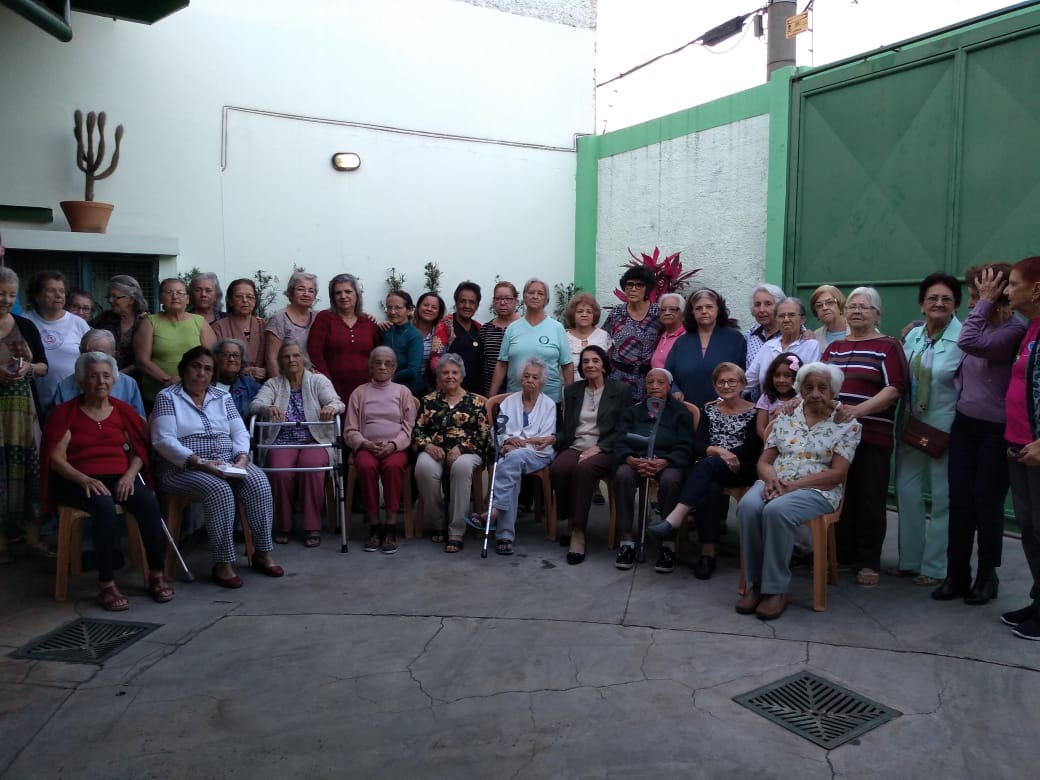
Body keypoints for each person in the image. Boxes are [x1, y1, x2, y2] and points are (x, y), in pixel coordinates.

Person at [41, 352, 173, 610]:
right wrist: (83, 479)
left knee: (147, 502)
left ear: (114, 380)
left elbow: (139, 452)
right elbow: (56, 458)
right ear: (81, 381)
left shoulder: (123, 411)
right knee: (102, 506)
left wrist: (129, 475)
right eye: (93, 376)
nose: (100, 381)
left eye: (106, 375)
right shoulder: (66, 413)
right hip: (76, 480)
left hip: (119, 476)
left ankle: (156, 574)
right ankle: (106, 584)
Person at [736, 362, 861, 620]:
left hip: (817, 489)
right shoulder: (786, 415)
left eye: (822, 387)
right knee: (747, 507)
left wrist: (792, 487)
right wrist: (773, 481)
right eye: (808, 387)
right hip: (777, 482)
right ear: (800, 389)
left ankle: (776, 590)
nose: (815, 393)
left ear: (834, 390)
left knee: (777, 510)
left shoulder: (847, 423)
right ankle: (755, 584)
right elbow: (764, 461)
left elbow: (837, 474)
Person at [151, 346, 283, 588]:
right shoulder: (168, 397)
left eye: (208, 369)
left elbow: (239, 431)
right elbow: (163, 440)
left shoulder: (221, 396)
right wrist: (199, 462)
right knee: (220, 491)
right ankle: (222, 563)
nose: (201, 373)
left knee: (259, 482)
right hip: (183, 468)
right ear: (183, 369)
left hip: (227, 461)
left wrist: (242, 457)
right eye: (196, 367)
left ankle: (262, 552)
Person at [932, 264, 1024, 605]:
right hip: (965, 424)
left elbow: (969, 340)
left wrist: (984, 302)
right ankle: (957, 574)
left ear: (996, 295)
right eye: (972, 296)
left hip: (996, 430)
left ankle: (988, 575)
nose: (972, 304)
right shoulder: (979, 321)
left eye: (976, 296)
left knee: (987, 503)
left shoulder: (1014, 330)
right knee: (960, 502)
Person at [822, 286, 909, 589]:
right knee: (840, 495)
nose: (856, 311)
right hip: (833, 437)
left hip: (872, 435)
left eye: (864, 307)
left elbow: (894, 388)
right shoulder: (834, 349)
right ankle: (842, 554)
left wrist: (857, 411)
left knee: (870, 497)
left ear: (877, 314)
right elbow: (819, 384)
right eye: (852, 307)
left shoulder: (887, 346)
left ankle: (868, 560)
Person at [649, 363, 761, 578]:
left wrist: (726, 455)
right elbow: (696, 444)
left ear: (743, 384)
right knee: (710, 483)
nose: (726, 385)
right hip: (710, 466)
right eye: (721, 382)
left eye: (732, 381)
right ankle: (707, 553)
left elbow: (751, 448)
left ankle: (676, 517)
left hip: (741, 467)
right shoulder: (708, 409)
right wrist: (719, 451)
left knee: (704, 467)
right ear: (715, 385)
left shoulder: (754, 411)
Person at [893, 273, 964, 587]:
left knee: (941, 497)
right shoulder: (914, 337)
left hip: (943, 426)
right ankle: (909, 560)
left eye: (946, 299)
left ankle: (935, 566)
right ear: (922, 305)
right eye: (932, 298)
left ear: (955, 306)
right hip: (910, 423)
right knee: (907, 492)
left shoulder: (964, 339)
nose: (939, 303)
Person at [252, 339, 344, 549]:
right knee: (279, 469)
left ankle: (312, 526)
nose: (292, 360)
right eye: (286, 357)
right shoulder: (274, 383)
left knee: (311, 468)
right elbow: (256, 403)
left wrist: (331, 408)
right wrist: (267, 409)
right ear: (281, 362)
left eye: (296, 355)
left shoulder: (318, 381)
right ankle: (285, 524)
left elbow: (338, 402)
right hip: (282, 440)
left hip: (315, 440)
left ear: (304, 359)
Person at [550, 345, 630, 565]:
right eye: (586, 362)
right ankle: (570, 518)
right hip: (576, 445)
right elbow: (567, 427)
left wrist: (600, 447)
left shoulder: (620, 390)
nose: (590, 365)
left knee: (583, 469)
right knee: (559, 468)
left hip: (606, 448)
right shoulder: (573, 390)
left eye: (595, 360)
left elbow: (625, 428)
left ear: (604, 365)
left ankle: (578, 531)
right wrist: (552, 439)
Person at [471, 358, 556, 555]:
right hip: (510, 453)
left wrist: (519, 444)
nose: (530, 381)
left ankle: (496, 514)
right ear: (520, 379)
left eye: (535, 377)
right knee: (512, 468)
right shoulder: (509, 402)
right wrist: (508, 441)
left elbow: (544, 439)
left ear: (542, 381)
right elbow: (499, 431)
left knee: (512, 460)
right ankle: (504, 536)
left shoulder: (549, 405)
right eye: (526, 376)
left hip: (537, 455)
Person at [612, 367, 693, 569]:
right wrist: (630, 459)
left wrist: (664, 461)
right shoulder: (634, 411)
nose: (655, 386)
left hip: (668, 461)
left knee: (671, 480)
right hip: (637, 460)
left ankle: (668, 543)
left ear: (669, 386)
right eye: (650, 382)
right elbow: (620, 440)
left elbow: (686, 446)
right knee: (622, 474)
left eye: (660, 382)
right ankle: (627, 541)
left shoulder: (680, 413)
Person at [998, 256, 1040, 640]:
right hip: (1019, 444)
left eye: (1012, 283)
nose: (1007, 291)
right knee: (1029, 528)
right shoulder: (1030, 329)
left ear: (1037, 288)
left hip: (1038, 448)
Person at [413, 354, 489, 553]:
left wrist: (461, 448)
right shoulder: (428, 401)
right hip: (435, 449)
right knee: (423, 467)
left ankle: (456, 529)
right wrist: (428, 446)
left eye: (454, 372)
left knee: (461, 467)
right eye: (445, 372)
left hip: (467, 451)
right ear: (439, 376)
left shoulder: (476, 402)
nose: (450, 376)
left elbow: (483, 435)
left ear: (462, 376)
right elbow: (418, 431)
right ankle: (439, 522)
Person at [343, 346, 416, 554]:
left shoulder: (403, 392)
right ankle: (374, 526)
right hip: (367, 446)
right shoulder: (359, 393)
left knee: (393, 468)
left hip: (395, 448)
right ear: (370, 366)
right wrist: (365, 444)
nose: (382, 367)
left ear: (394, 368)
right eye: (377, 363)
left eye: (387, 363)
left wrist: (393, 445)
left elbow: (409, 428)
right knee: (365, 467)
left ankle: (391, 526)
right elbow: (350, 430)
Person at [0, 267, 46, 564]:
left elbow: (43, 366)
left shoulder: (25, 325)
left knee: (30, 473)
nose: (5, 299)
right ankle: (2, 541)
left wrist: (29, 368)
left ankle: (30, 537)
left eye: (11, 294)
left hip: (23, 414)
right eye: (0, 293)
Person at [135, 277, 217, 408]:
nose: (175, 296)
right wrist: (168, 379)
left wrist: (188, 382)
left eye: (180, 293)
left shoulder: (199, 322)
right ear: (161, 298)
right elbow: (142, 361)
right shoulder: (149, 322)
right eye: (169, 293)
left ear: (188, 299)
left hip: (194, 393)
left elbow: (211, 358)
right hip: (159, 393)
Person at [491, 278, 573, 404]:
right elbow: (502, 364)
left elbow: (567, 365)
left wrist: (570, 399)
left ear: (546, 300)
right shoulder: (512, 328)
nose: (535, 296)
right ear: (524, 297)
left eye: (540, 293)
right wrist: (492, 396)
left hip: (550, 399)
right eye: (531, 292)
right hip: (516, 398)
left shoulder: (557, 328)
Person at [665, 288, 746, 408]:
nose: (704, 311)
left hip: (725, 408)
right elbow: (668, 374)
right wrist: (674, 390)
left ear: (718, 309)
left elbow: (745, 374)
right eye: (698, 308)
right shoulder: (682, 342)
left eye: (709, 307)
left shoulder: (735, 339)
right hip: (687, 408)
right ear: (692, 312)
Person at [23, 270, 90, 414]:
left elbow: (92, 359)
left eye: (61, 291)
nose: (59, 295)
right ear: (36, 295)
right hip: (34, 401)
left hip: (73, 401)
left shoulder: (79, 323)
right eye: (51, 291)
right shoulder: (24, 322)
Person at [308, 273, 380, 404]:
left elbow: (379, 353)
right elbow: (315, 354)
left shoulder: (368, 322)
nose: (343, 296)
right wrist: (327, 385)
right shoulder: (324, 318)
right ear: (332, 297)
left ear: (357, 294)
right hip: (333, 390)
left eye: (348, 291)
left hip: (366, 389)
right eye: (338, 293)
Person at [51, 329, 145, 416]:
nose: (93, 360)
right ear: (80, 352)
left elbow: (138, 422)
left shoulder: (128, 384)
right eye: (87, 354)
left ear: (114, 355)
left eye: (100, 354)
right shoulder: (65, 386)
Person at [604, 265, 661, 402]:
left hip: (648, 380)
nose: (633, 289)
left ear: (647, 288)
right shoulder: (617, 312)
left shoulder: (658, 313)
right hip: (618, 377)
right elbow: (603, 339)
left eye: (639, 285)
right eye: (629, 284)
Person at [745, 298, 821, 400]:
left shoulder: (811, 346)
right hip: (768, 408)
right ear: (776, 320)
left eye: (791, 315)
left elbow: (811, 383)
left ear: (802, 319)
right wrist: (724, 398)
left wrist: (790, 405)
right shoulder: (769, 346)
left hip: (798, 410)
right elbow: (749, 379)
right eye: (781, 316)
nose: (786, 319)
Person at [431, 282, 484, 394]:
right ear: (456, 302)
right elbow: (435, 358)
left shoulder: (479, 327)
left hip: (477, 391)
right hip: (451, 390)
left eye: (472, 302)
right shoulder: (445, 326)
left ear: (477, 305)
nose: (467, 306)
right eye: (463, 301)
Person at [264, 271, 319, 378]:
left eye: (311, 290)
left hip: (314, 380)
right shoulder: (279, 319)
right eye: (301, 289)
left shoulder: (318, 317)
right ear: (290, 293)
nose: (306, 294)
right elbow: (271, 358)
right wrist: (280, 388)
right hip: (287, 379)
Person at [92, 274, 148, 376]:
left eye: (115, 297)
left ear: (131, 299)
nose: (110, 300)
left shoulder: (146, 322)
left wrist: (120, 374)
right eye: (108, 296)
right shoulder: (103, 319)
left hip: (137, 380)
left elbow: (147, 357)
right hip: (103, 377)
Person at [212, 278, 267, 382]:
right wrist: (245, 371)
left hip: (263, 384)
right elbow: (214, 361)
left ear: (255, 301)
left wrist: (264, 370)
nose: (245, 300)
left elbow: (273, 357)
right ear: (230, 301)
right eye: (239, 296)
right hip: (229, 383)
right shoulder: (219, 327)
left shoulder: (263, 325)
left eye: (250, 297)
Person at [381, 290, 425, 397]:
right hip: (386, 390)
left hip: (410, 392)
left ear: (409, 310)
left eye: (397, 308)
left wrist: (386, 376)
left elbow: (412, 371)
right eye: (389, 307)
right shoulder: (385, 330)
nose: (392, 312)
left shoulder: (415, 335)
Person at [480, 281, 521, 397]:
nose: (502, 303)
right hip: (490, 392)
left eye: (508, 299)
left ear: (516, 301)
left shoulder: (524, 328)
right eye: (498, 299)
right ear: (493, 302)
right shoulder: (486, 329)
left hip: (517, 392)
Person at [212, 338, 262, 421]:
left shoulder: (250, 385)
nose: (231, 359)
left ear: (242, 360)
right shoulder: (206, 383)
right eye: (225, 355)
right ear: (216, 359)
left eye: (235, 355)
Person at [755, 352, 800, 441]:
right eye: (777, 375)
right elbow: (760, 430)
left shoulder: (801, 397)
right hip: (770, 444)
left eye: (787, 376)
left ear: (796, 377)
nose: (781, 380)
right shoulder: (766, 397)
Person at [744, 283, 786, 369]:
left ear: (780, 307)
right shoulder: (748, 337)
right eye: (757, 304)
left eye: (768, 304)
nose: (762, 310)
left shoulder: (795, 333)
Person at [564, 292, 610, 366]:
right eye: (580, 311)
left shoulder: (604, 336)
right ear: (573, 315)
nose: (584, 315)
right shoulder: (564, 337)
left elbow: (608, 365)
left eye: (589, 312)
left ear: (594, 315)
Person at [412, 292, 446, 391]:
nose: (429, 309)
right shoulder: (407, 330)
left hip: (431, 388)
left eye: (434, 307)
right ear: (418, 307)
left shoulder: (441, 335)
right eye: (426, 305)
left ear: (439, 312)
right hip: (405, 387)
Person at [650, 292, 685, 370]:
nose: (667, 313)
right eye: (663, 309)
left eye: (672, 309)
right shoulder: (663, 336)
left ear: (683, 314)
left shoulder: (686, 337)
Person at [810, 285, 848, 349]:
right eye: (819, 305)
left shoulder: (856, 329)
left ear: (840, 304)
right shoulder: (816, 336)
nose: (824, 308)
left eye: (830, 302)